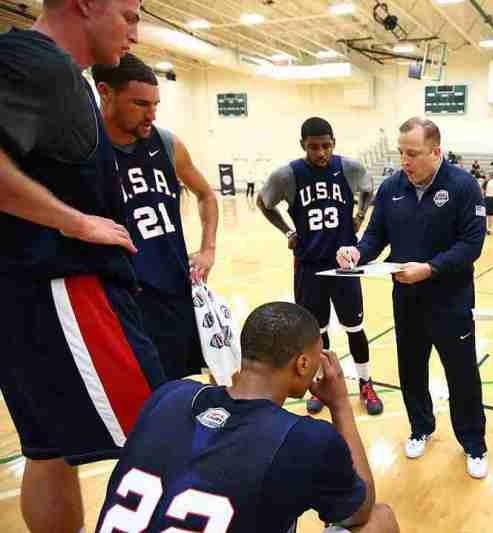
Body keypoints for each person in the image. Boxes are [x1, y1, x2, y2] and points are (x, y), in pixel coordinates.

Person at [0, 2, 167, 532]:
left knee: (48, 451)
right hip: (66, 291)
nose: (134, 34)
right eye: (128, 15)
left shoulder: (50, 72)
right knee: (165, 435)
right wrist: (76, 222)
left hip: (29, 295)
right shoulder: (38, 63)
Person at [95, 302, 400, 533]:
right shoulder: (304, 440)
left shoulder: (169, 396)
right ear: (303, 364)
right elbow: (359, 510)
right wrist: (340, 406)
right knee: (380, 519)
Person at [336, 117, 489, 479]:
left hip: (451, 301)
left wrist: (431, 269)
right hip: (406, 301)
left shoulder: (463, 186)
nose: (405, 160)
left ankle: (474, 444)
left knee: (462, 375)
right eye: (401, 152)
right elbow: (375, 236)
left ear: (436, 152)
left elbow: (472, 244)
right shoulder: (391, 188)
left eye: (414, 153)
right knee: (411, 370)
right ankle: (420, 427)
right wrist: (357, 253)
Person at [92, 54, 219, 380]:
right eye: (140, 104)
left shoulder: (166, 143)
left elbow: (206, 195)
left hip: (175, 289)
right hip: (124, 298)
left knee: (179, 387)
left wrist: (208, 249)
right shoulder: (87, 150)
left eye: (155, 104)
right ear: (105, 93)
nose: (151, 115)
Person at [257, 117, 383, 416]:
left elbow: (368, 188)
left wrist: (360, 215)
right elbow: (264, 203)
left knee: (355, 328)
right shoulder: (289, 175)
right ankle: (319, 384)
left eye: (326, 146)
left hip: (344, 266)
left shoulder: (349, 168)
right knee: (316, 333)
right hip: (309, 266)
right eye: (313, 147)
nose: (321, 153)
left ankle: (366, 383)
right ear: (303, 145)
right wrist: (288, 232)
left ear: (334, 143)